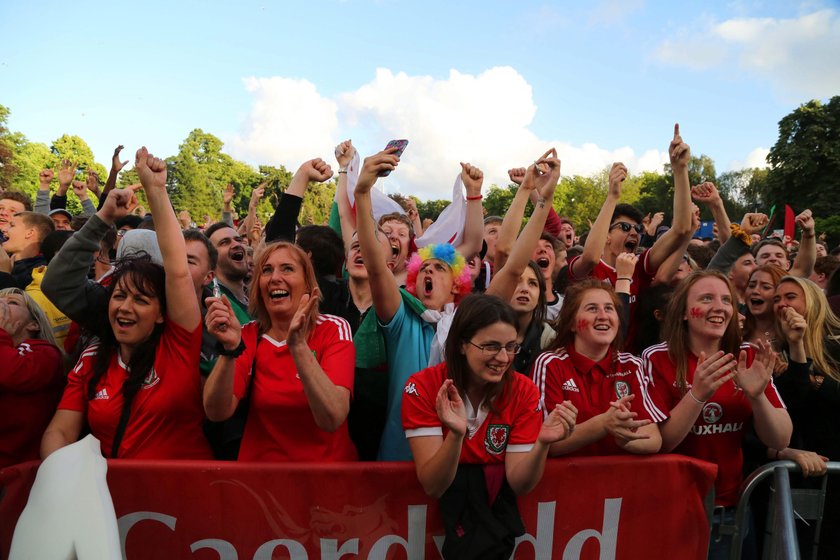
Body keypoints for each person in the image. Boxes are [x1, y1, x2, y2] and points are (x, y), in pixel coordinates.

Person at [41, 147, 212, 460]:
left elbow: (176, 269)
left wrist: (156, 190)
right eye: (118, 296)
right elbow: (61, 431)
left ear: (162, 314)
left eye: (141, 299)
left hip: (184, 498)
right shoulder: (93, 360)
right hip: (115, 502)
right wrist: (58, 479)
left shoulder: (179, 346)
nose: (125, 307)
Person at [401, 294, 576, 559]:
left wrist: (542, 444)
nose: (503, 358)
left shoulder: (523, 390)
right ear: (461, 344)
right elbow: (433, 485)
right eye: (491, 346)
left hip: (495, 528)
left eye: (511, 346)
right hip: (427, 531)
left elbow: (519, 483)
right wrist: (457, 436)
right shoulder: (423, 387)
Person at [642, 270, 791, 558]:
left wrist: (756, 396)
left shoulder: (746, 355)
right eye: (706, 298)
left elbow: (781, 438)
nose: (719, 307)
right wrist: (697, 394)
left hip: (732, 511)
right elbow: (661, 442)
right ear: (684, 312)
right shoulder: (656, 358)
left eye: (726, 300)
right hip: (673, 509)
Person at [203, 241, 357, 461]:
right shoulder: (246, 335)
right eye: (267, 270)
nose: (275, 277)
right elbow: (217, 412)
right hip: (262, 482)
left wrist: (298, 346)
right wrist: (229, 349)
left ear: (307, 284)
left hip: (324, 479)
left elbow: (332, 418)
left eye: (287, 268)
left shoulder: (333, 329)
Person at [532, 279, 663, 457]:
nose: (603, 316)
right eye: (592, 308)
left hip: (621, 481)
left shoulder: (632, 364)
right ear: (571, 323)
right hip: (567, 481)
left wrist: (624, 438)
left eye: (609, 308)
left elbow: (654, 439)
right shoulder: (550, 363)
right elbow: (544, 443)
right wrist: (603, 425)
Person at [771, 276, 840, 558]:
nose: (782, 304)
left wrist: (818, 382)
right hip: (805, 471)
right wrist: (797, 352)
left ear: (811, 301)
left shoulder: (836, 345)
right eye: (777, 299)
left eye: (790, 297)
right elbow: (789, 408)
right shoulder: (777, 351)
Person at [0, 287, 64, 467]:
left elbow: (13, 373)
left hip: (18, 478)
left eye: (12, 303)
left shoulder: (45, 353)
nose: (1, 306)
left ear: (33, 324)